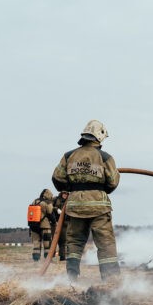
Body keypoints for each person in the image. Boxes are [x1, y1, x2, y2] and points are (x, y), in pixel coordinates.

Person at [51, 120, 120, 281]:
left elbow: (57, 179)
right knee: (105, 243)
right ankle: (111, 281)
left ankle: (72, 278)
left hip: (75, 205)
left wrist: (73, 188)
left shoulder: (69, 156)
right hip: (99, 207)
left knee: (74, 242)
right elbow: (112, 182)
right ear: (99, 136)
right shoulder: (105, 157)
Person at [28, 189, 65, 262]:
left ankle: (36, 259)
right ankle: (47, 260)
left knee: (36, 243)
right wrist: (54, 222)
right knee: (47, 244)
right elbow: (50, 214)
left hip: (33, 225)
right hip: (45, 226)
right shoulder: (47, 203)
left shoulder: (35, 201)